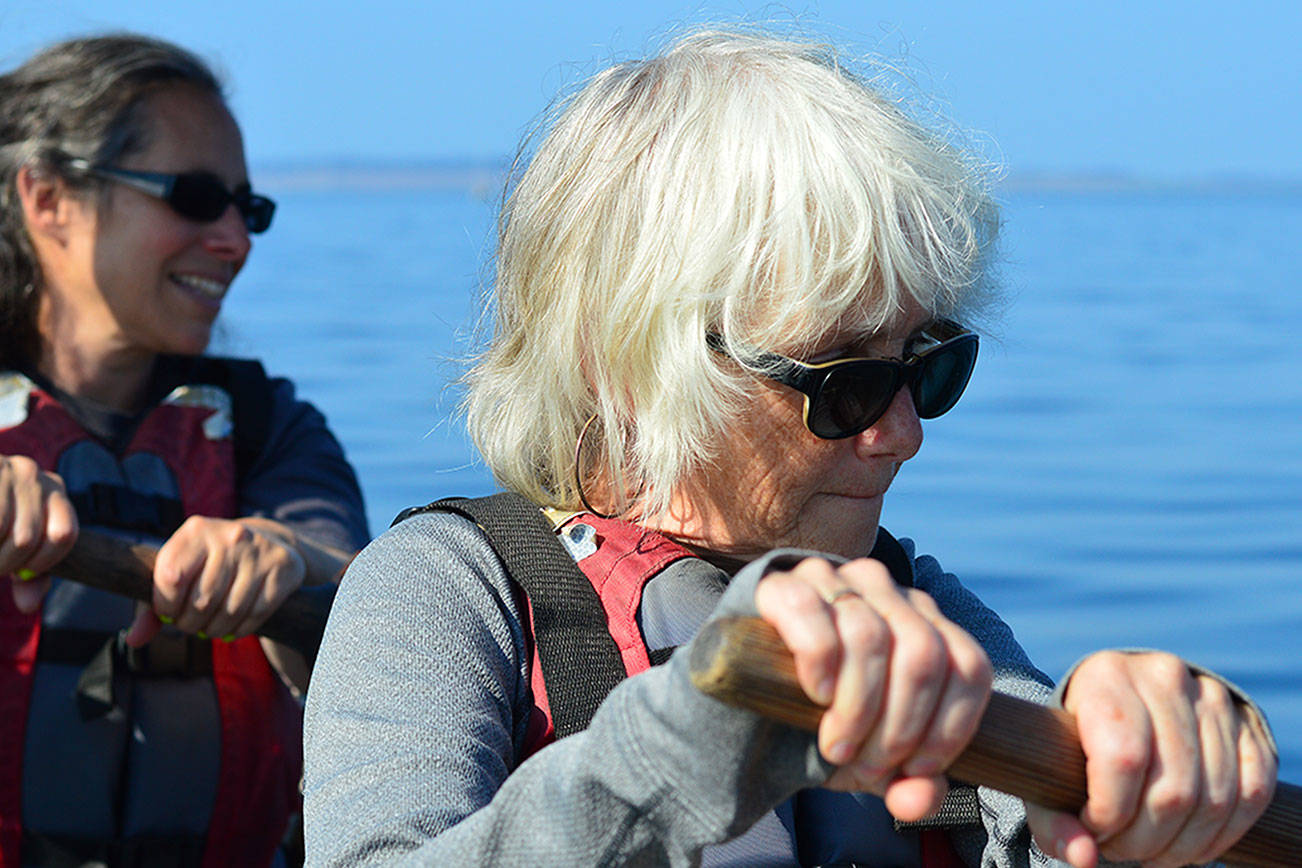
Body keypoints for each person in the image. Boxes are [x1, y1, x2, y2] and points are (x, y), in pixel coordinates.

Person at [301, 28, 1276, 868]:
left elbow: (1041, 817)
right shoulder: (445, 590)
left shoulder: (924, 613)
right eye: (842, 381)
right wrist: (696, 737)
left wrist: (1152, 752)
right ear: (625, 376)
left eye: (927, 366)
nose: (903, 433)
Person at [0, 34, 369, 866]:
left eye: (251, 209)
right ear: (49, 197)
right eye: (197, 197)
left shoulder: (270, 426)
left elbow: (360, 588)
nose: (237, 240)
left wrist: (283, 553)